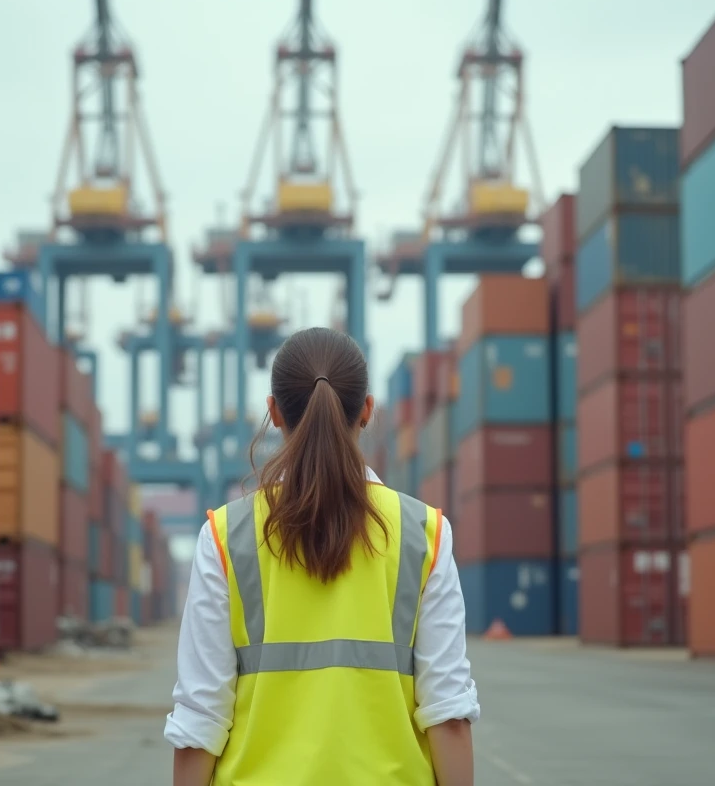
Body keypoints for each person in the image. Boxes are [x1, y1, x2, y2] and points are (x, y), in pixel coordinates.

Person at [164, 327, 479, 786]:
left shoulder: (224, 536)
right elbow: (448, 715)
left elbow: (199, 720)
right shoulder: (424, 533)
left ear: (273, 412)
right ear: (367, 410)